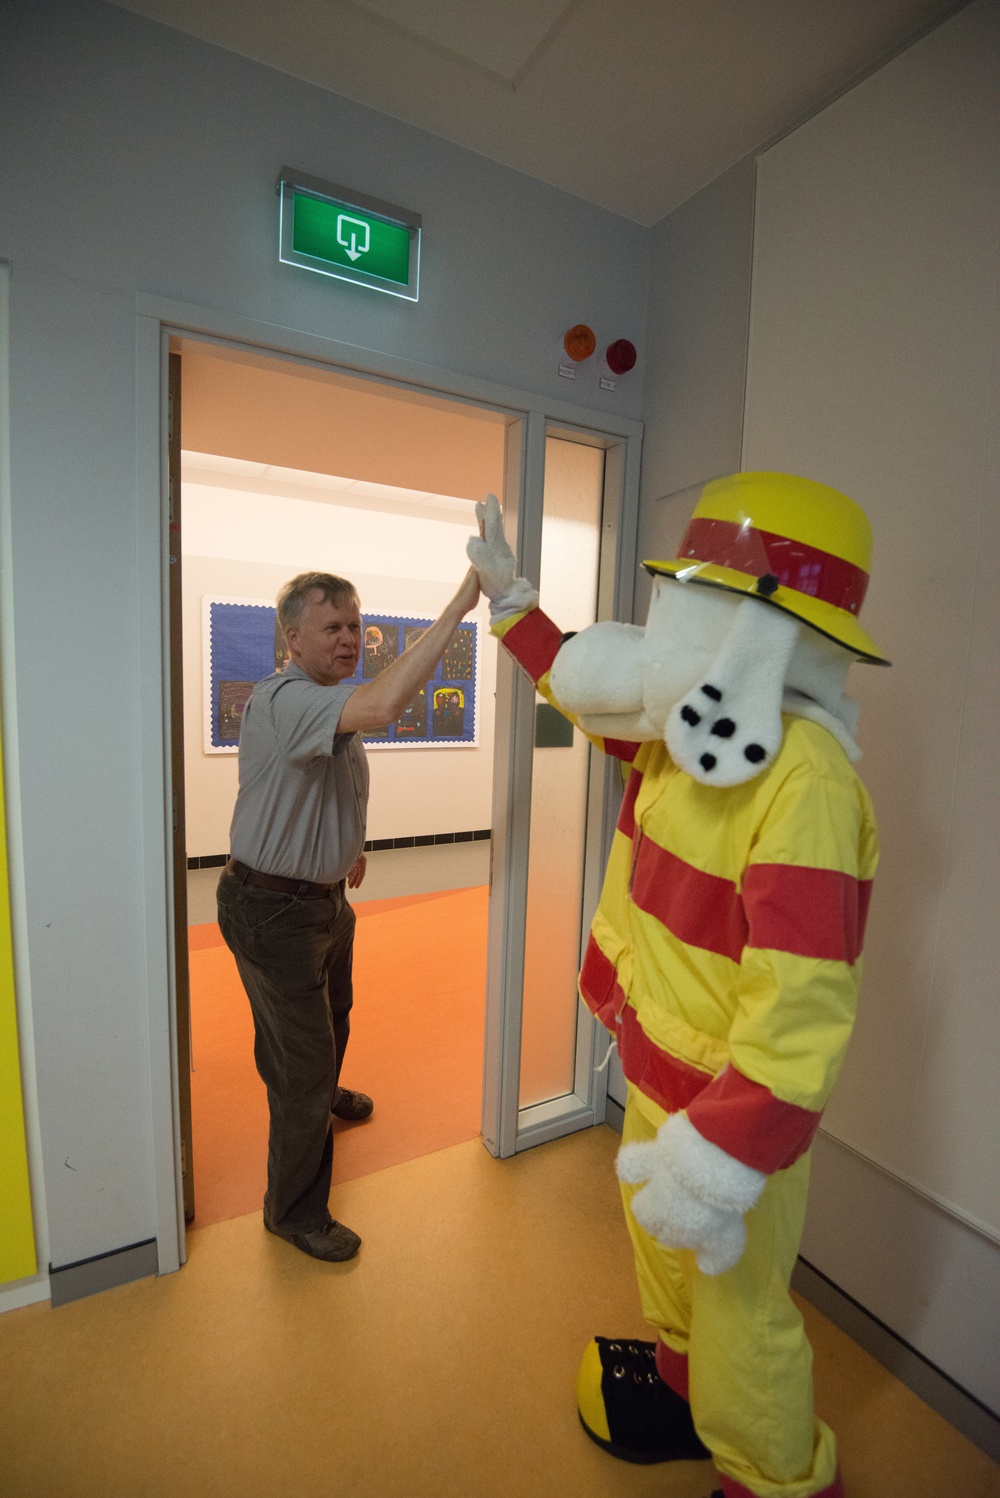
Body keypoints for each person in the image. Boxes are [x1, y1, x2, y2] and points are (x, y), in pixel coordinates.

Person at [467, 475, 884, 1498]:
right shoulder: (682, 735)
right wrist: (515, 607)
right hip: (653, 1065)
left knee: (744, 1318)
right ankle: (683, 1389)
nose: (665, 635)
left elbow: (803, 1005)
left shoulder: (807, 784)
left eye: (692, 608)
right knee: (663, 1264)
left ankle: (777, 1480)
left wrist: (726, 1151)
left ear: (758, 634)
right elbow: (587, 689)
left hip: (729, 1122)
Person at [217, 565, 480, 1262]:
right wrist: (461, 602)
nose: (348, 639)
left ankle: (321, 1091)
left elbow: (325, 793)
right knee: (299, 1059)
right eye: (331, 627)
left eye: (354, 626)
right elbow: (386, 704)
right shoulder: (286, 697)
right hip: (272, 911)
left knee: (333, 1019)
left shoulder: (324, 702)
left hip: (321, 901)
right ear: (291, 635)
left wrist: (344, 854)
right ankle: (292, 1213)